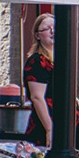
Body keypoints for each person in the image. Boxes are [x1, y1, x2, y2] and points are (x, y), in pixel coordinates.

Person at [21, 12, 56, 145]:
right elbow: (37, 97)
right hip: (46, 122)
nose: (52, 31)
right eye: (47, 29)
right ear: (37, 35)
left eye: (55, 27)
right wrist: (49, 129)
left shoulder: (59, 59)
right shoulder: (37, 61)